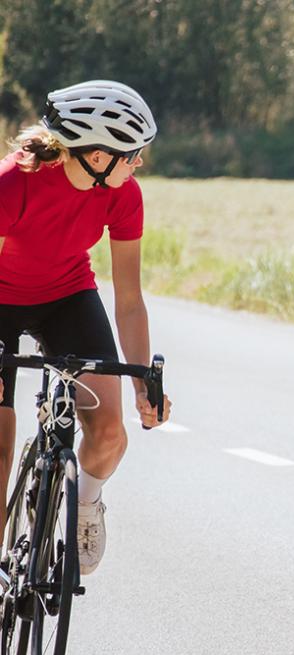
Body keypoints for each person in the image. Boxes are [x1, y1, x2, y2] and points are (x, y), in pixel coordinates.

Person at [0, 80, 171, 574]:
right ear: (98, 155)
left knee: (110, 432)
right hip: (0, 302)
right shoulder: (14, 183)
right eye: (132, 153)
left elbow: (131, 300)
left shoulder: (123, 195)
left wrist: (143, 382)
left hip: (66, 297)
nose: (138, 163)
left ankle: (85, 503)